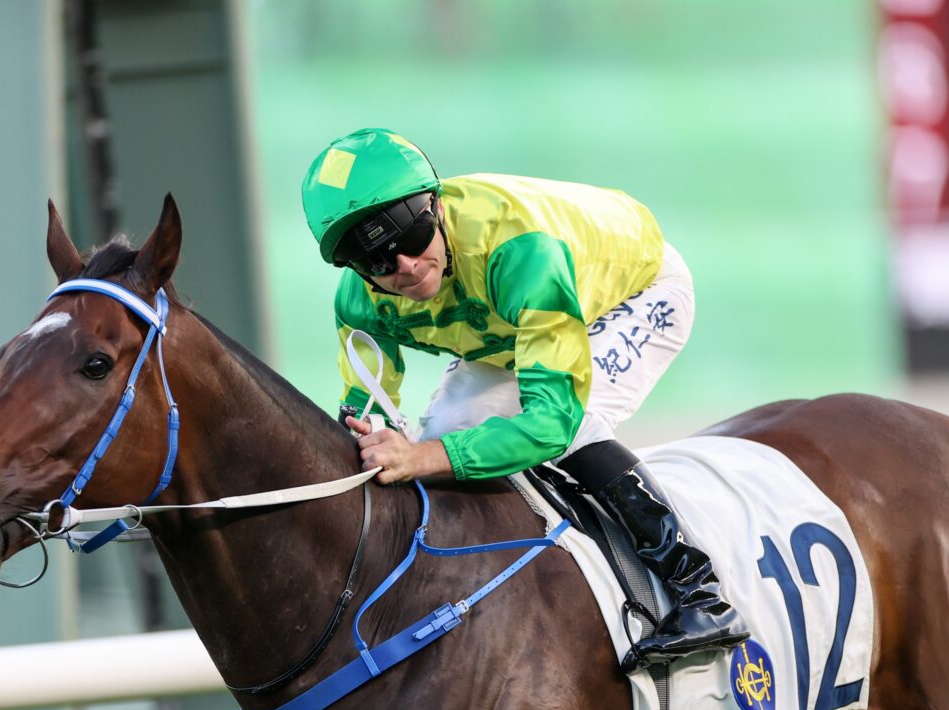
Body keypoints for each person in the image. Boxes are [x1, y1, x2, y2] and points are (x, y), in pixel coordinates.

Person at [301, 128, 746, 664]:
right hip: (514, 327)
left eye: (413, 238)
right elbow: (364, 404)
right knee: (444, 438)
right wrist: (373, 435)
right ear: (354, 269)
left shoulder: (518, 248)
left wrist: (421, 455)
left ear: (436, 207)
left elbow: (550, 422)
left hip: (630, 290)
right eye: (378, 261)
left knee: (568, 428)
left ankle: (701, 590)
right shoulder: (360, 302)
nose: (407, 267)